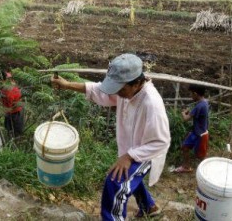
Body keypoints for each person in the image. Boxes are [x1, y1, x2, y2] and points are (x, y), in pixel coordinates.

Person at [51, 53, 171, 220]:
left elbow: (161, 141)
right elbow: (99, 91)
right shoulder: (127, 91)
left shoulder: (151, 103)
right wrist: (66, 85)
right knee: (129, 177)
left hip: (147, 152)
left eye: (120, 89)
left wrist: (129, 157)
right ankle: (149, 206)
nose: (117, 93)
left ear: (136, 83)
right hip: (130, 148)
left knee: (115, 182)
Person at [173, 84, 209, 173]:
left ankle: (207, 171)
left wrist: (183, 113)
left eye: (191, 94)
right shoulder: (204, 102)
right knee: (185, 147)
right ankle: (186, 167)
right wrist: (189, 113)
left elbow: (185, 119)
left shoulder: (199, 106)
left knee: (201, 156)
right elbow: (195, 114)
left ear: (195, 94)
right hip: (196, 132)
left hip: (200, 135)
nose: (191, 96)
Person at [0, 70, 24, 138]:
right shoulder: (7, 77)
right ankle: (10, 133)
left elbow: (10, 106)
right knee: (8, 125)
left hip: (15, 111)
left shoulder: (9, 92)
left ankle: (16, 138)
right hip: (9, 107)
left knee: (16, 127)